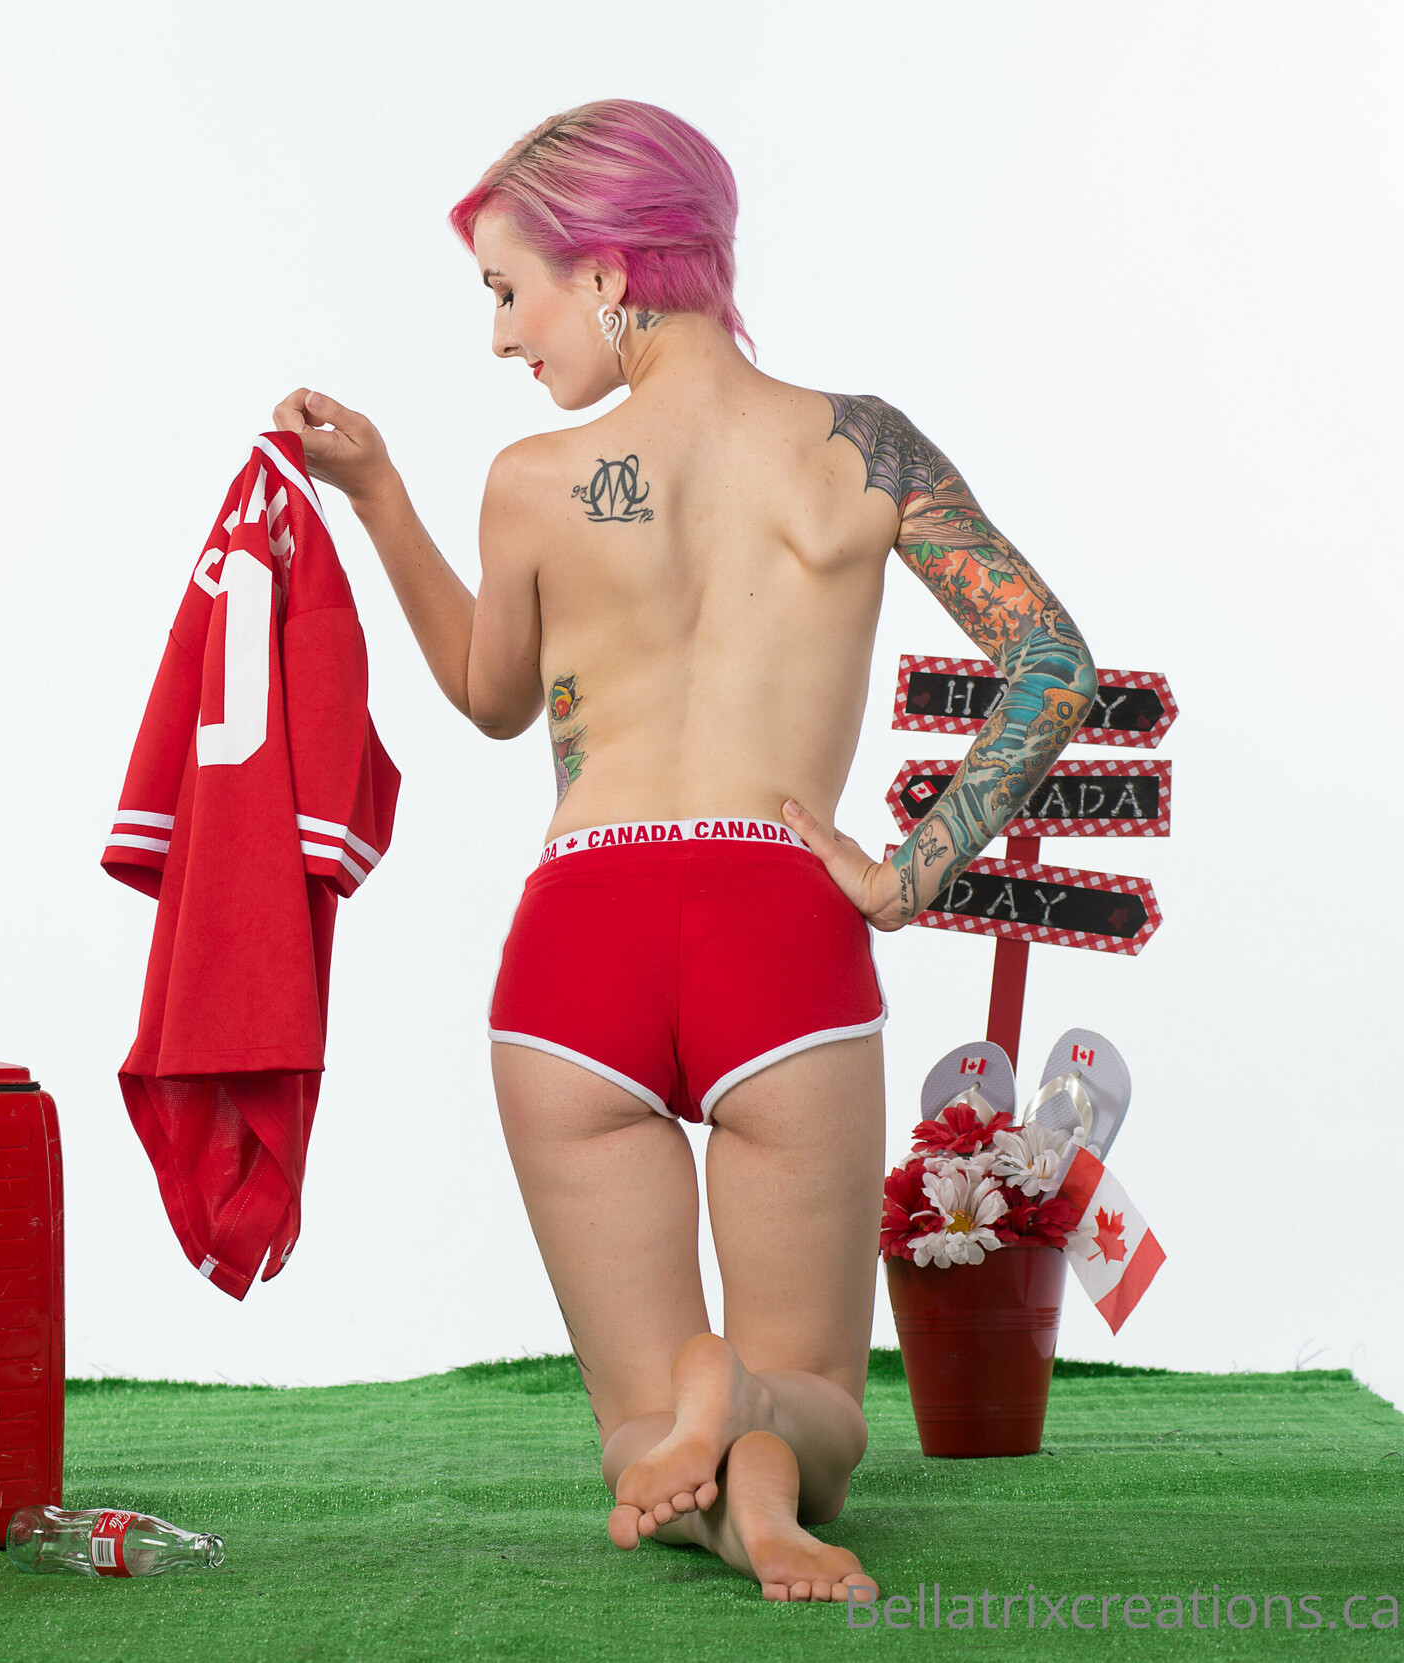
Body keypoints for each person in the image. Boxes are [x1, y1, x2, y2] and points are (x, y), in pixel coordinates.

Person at [273, 99, 1095, 1603]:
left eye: (507, 292)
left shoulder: (532, 480)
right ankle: (764, 1437)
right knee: (827, 1410)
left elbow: (491, 699)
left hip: (577, 945)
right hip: (779, 930)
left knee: (640, 1441)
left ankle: (706, 1436)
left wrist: (380, 498)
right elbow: (1052, 663)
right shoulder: (864, 451)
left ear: (606, 272)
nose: (501, 339)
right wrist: (903, 877)